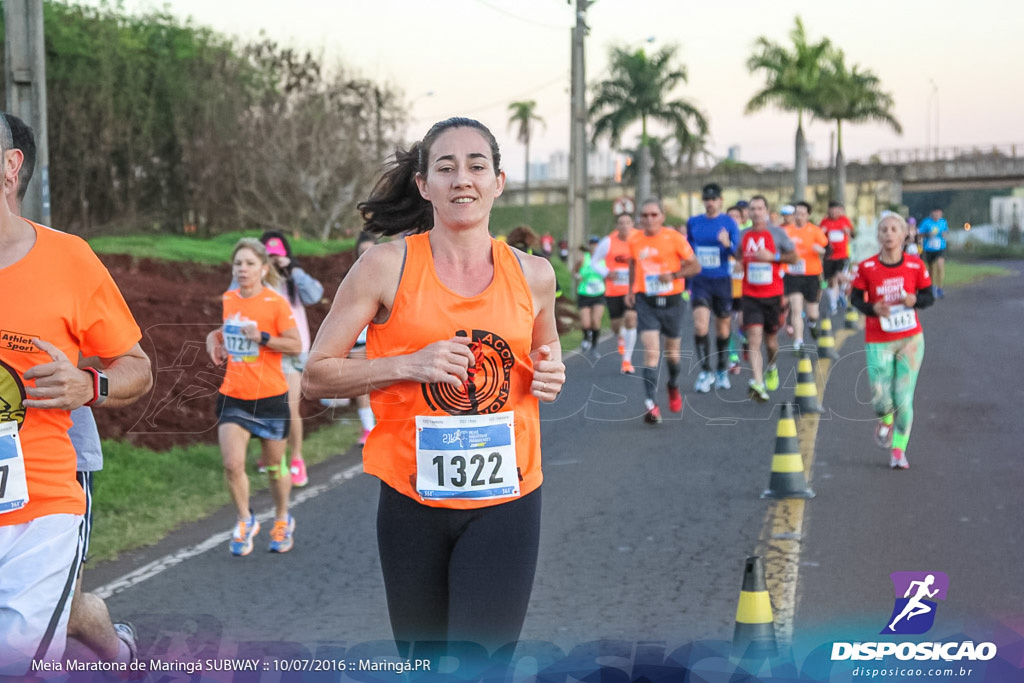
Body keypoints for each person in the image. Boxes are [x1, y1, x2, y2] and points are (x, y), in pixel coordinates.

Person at [302, 118, 565, 652]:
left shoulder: (535, 274)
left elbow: (547, 350)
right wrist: (407, 364)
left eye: (476, 166)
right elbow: (316, 373)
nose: (461, 179)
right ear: (424, 185)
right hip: (411, 498)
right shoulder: (384, 266)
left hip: (507, 495)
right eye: (445, 167)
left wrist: (552, 372)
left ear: (499, 181)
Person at [0, 113, 152, 674]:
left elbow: (137, 369)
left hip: (39, 503)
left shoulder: (68, 259)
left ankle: (111, 651)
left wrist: (88, 384)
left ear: (10, 166)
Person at [207, 239, 302, 555]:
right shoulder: (229, 298)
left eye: (249, 263)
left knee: (275, 469)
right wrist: (214, 340)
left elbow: (295, 345)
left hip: (271, 397)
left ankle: (281, 517)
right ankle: (246, 520)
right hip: (234, 394)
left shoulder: (275, 303)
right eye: (238, 264)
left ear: (263, 268)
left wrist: (261, 337)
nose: (242, 269)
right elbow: (224, 331)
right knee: (232, 464)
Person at [850, 213, 933, 469]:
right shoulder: (867, 268)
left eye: (894, 229)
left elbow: (928, 296)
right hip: (879, 339)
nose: (888, 233)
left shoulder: (915, 265)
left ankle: (898, 450)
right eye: (883, 229)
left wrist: (915, 301)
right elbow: (855, 299)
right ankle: (885, 419)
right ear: (878, 235)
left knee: (903, 398)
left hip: (910, 339)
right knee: (880, 399)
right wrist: (872, 308)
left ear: (904, 234)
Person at [243, 232, 324, 488]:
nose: (276, 261)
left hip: (291, 353)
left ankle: (297, 459)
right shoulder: (259, 282)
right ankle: (271, 455)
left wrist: (294, 269)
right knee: (263, 408)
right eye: (270, 256)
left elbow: (314, 295)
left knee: (290, 409)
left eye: (279, 256)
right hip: (263, 351)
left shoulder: (294, 282)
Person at [625, 198, 701, 423]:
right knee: (651, 352)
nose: (649, 219)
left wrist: (675, 276)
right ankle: (651, 404)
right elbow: (632, 263)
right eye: (645, 215)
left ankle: (673, 385)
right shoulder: (635, 239)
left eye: (653, 215)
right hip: (646, 301)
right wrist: (631, 289)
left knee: (673, 354)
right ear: (640, 218)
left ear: (662, 217)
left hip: (673, 302)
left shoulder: (674, 238)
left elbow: (695, 266)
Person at [740, 196, 797, 402]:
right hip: (750, 295)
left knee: (771, 341)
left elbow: (794, 257)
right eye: (752, 208)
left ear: (766, 211)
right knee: (754, 338)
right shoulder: (742, 235)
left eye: (760, 208)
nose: (756, 212)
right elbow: (738, 255)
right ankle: (758, 382)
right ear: (748, 212)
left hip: (773, 295)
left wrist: (773, 258)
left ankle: (771, 367)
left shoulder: (777, 233)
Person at [686, 183, 741, 392]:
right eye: (707, 199)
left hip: (722, 281)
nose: (710, 203)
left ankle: (721, 369)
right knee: (700, 326)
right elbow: (687, 250)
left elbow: (738, 255)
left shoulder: (729, 223)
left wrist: (728, 244)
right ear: (703, 201)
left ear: (720, 201)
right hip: (701, 281)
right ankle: (705, 371)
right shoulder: (694, 223)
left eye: (714, 199)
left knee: (723, 328)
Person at [592, 213, 639, 374]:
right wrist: (606, 273)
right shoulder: (608, 242)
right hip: (614, 290)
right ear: (617, 225)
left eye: (628, 222)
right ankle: (620, 335)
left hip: (632, 290)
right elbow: (594, 262)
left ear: (633, 223)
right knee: (616, 326)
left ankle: (627, 360)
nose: (625, 225)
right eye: (621, 223)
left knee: (631, 320)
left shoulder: (639, 240)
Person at [783, 201, 830, 353]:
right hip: (792, 275)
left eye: (803, 214)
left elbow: (827, 248)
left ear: (808, 215)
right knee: (796, 308)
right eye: (797, 213)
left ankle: (812, 323)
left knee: (812, 313)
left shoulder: (815, 231)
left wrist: (821, 251)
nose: (799, 217)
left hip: (811, 275)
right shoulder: (786, 231)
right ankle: (798, 342)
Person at [820, 200, 856, 313]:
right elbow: (818, 237)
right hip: (829, 256)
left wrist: (848, 231)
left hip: (842, 255)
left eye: (836, 212)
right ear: (829, 211)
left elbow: (853, 234)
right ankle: (833, 304)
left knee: (839, 276)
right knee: (831, 281)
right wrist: (822, 231)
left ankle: (851, 284)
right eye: (832, 212)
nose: (834, 214)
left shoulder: (845, 220)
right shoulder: (825, 221)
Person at [575, 235, 606, 358]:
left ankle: (594, 347)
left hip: (599, 294)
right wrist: (578, 276)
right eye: (592, 244)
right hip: (584, 293)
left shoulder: (603, 259)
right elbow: (575, 271)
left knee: (595, 322)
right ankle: (586, 337)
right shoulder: (584, 258)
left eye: (596, 244)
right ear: (589, 246)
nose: (594, 246)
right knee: (586, 323)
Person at [918, 208, 948, 298]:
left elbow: (946, 232)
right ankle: (931, 287)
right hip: (929, 248)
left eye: (939, 213)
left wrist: (945, 235)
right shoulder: (926, 222)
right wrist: (928, 234)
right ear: (932, 213)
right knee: (930, 269)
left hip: (940, 248)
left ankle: (940, 288)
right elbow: (919, 234)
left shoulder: (943, 222)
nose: (938, 214)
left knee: (940, 266)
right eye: (936, 212)